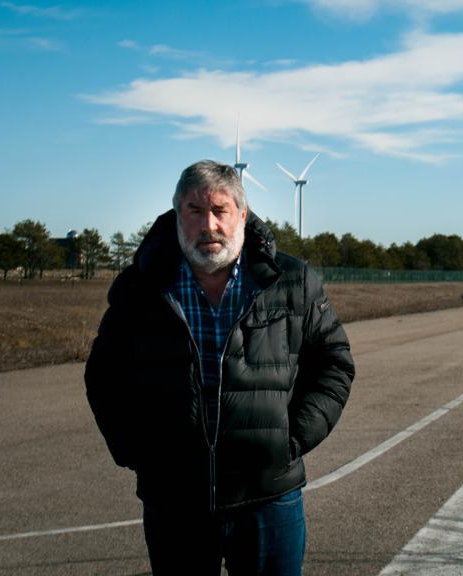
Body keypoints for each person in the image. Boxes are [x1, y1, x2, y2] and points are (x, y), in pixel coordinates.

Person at [85, 160, 355, 575]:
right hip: (174, 500)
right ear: (177, 217)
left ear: (242, 215)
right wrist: (137, 451)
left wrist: (293, 438)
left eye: (220, 210)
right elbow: (104, 377)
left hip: (269, 495)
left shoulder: (292, 281)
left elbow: (334, 362)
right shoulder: (141, 288)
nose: (208, 224)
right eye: (194, 211)